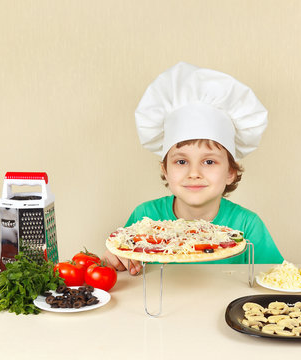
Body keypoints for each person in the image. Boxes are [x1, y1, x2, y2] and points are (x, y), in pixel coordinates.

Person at [103, 62, 283, 275]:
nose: (194, 173)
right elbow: (122, 268)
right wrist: (113, 261)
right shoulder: (145, 216)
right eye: (181, 162)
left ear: (230, 172)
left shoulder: (247, 225)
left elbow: (275, 278)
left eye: (209, 162)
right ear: (165, 169)